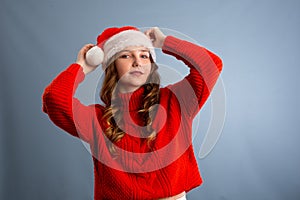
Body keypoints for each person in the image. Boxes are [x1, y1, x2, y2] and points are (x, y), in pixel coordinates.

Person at [42, 26, 223, 200]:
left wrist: (165, 42)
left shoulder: (176, 101)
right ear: (112, 66)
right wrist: (81, 67)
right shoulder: (98, 119)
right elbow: (55, 98)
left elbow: (211, 64)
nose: (137, 61)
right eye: (126, 55)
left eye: (144, 55)